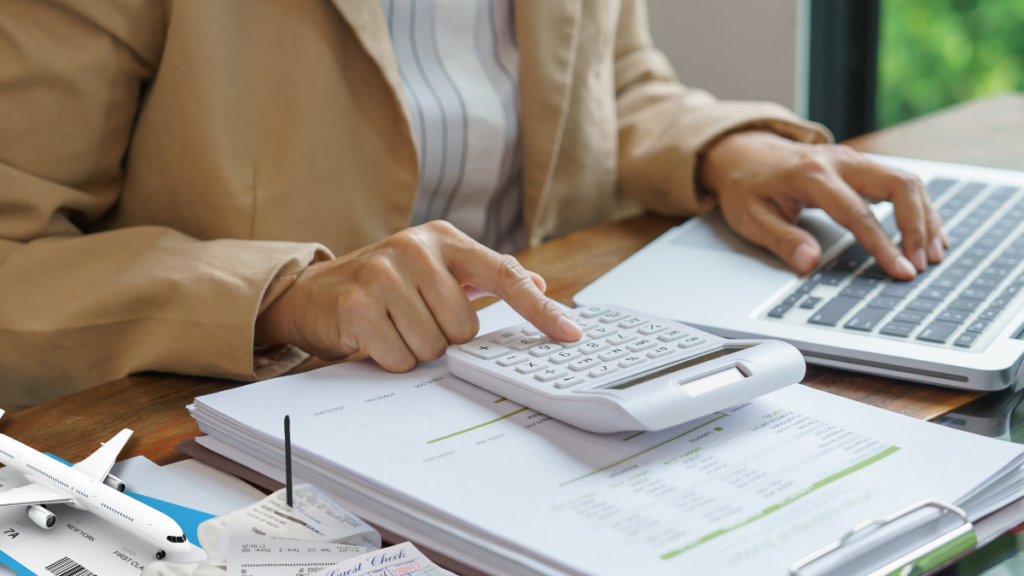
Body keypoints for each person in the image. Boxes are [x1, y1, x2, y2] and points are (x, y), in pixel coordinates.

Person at [0, 0, 944, 411]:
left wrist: (727, 149)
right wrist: (286, 294)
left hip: (544, 379)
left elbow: (615, 84)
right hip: (259, 419)